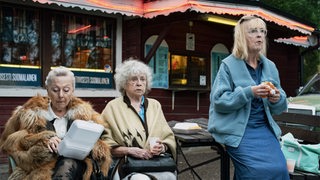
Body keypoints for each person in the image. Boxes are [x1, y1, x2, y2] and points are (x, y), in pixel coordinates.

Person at [207, 15, 289, 179]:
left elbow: (281, 104)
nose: (260, 35)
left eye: (262, 31)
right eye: (253, 31)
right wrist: (248, 92)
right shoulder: (228, 65)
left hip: (264, 130)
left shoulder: (270, 66)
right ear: (241, 36)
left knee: (280, 170)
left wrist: (276, 99)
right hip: (238, 131)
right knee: (255, 173)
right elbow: (219, 101)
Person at [0, 66, 111, 179]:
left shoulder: (87, 116)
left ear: (73, 90)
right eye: (55, 90)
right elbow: (9, 144)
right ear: (47, 90)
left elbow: (103, 146)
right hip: (41, 170)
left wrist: (87, 142)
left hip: (79, 169)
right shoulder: (30, 114)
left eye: (66, 90)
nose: (61, 95)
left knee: (68, 163)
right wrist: (42, 141)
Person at [101, 59, 176, 180]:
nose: (139, 83)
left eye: (142, 79)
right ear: (124, 83)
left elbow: (168, 137)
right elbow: (103, 144)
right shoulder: (113, 107)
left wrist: (162, 147)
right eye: (134, 79)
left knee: (170, 177)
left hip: (155, 162)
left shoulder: (155, 105)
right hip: (126, 164)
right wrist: (130, 150)